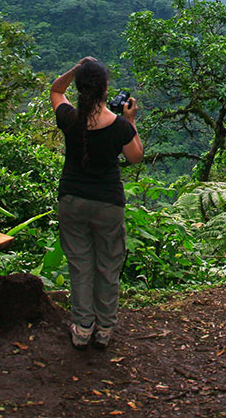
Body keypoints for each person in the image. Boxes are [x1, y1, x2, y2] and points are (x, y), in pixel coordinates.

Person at [49, 57, 143, 352]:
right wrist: (131, 121)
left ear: (80, 88)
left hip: (72, 200)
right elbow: (135, 157)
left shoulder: (68, 118)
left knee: (80, 266)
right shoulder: (119, 127)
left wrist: (76, 68)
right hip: (107, 204)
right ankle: (104, 328)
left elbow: (55, 90)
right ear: (105, 89)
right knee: (108, 266)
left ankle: (82, 327)